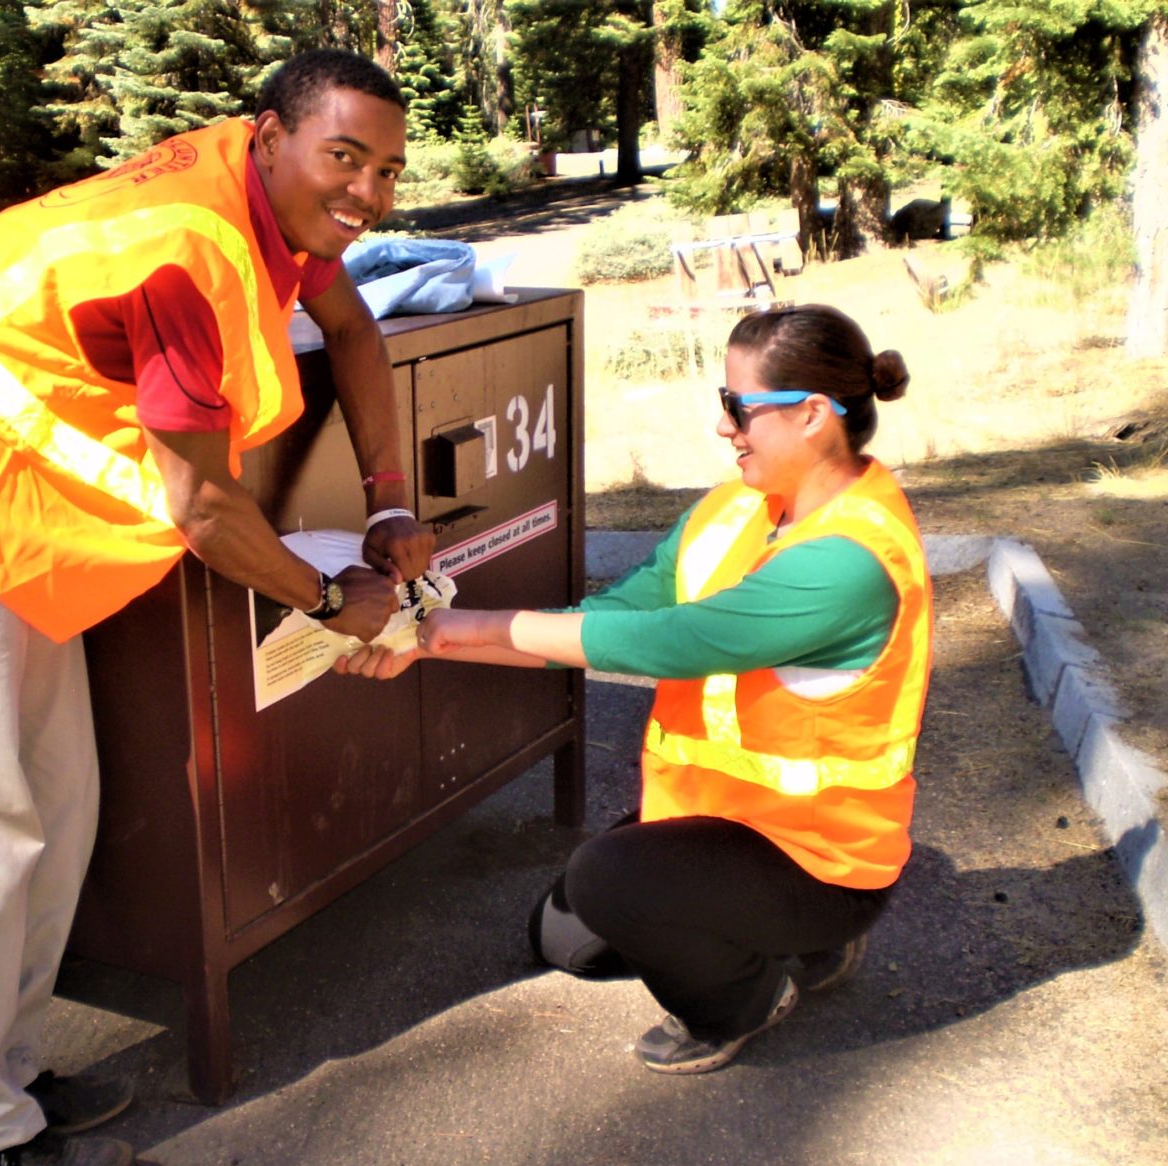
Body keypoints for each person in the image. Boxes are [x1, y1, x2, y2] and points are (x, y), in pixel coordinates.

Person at [0, 48, 434, 1166]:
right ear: (271, 134)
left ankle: (3, 1068)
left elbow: (349, 327)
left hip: (14, 507)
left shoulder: (270, 210)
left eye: (389, 171)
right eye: (345, 158)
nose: (366, 194)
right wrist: (327, 603)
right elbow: (204, 509)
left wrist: (391, 498)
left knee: (54, 804)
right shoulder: (193, 252)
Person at [339, 304, 931, 1074]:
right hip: (724, 822)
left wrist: (463, 627)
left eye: (737, 405)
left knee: (606, 878)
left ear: (813, 414)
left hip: (822, 858)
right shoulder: (734, 510)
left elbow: (667, 644)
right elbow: (610, 617)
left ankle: (750, 998)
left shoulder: (847, 561)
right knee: (566, 939)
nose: (724, 427)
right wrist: (433, 640)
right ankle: (769, 940)